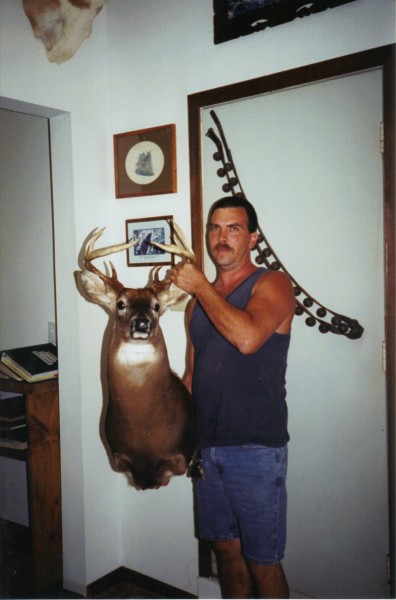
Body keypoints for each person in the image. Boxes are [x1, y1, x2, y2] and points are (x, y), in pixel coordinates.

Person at [171, 196, 295, 599]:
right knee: (226, 555)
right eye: (214, 228)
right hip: (207, 451)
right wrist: (165, 447)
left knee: (264, 564)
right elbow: (191, 380)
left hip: (256, 450)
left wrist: (201, 288)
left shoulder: (272, 283)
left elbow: (247, 338)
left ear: (253, 238)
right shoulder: (195, 307)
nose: (220, 238)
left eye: (233, 228)